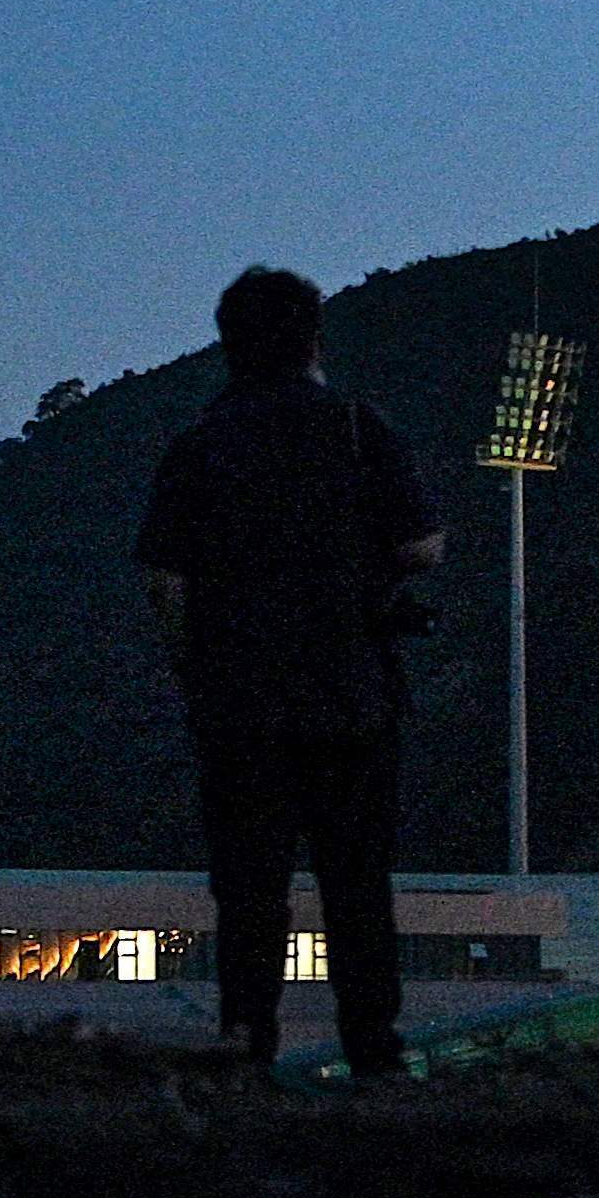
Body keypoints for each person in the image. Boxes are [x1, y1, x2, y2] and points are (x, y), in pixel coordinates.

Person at [140, 267, 442, 1075]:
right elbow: (422, 544)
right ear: (314, 338)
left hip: (239, 699)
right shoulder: (354, 426)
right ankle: (373, 1049)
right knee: (357, 884)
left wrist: (195, 661)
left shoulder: (202, 442)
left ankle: (246, 1039)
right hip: (349, 688)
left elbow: (165, 574)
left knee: (247, 886)